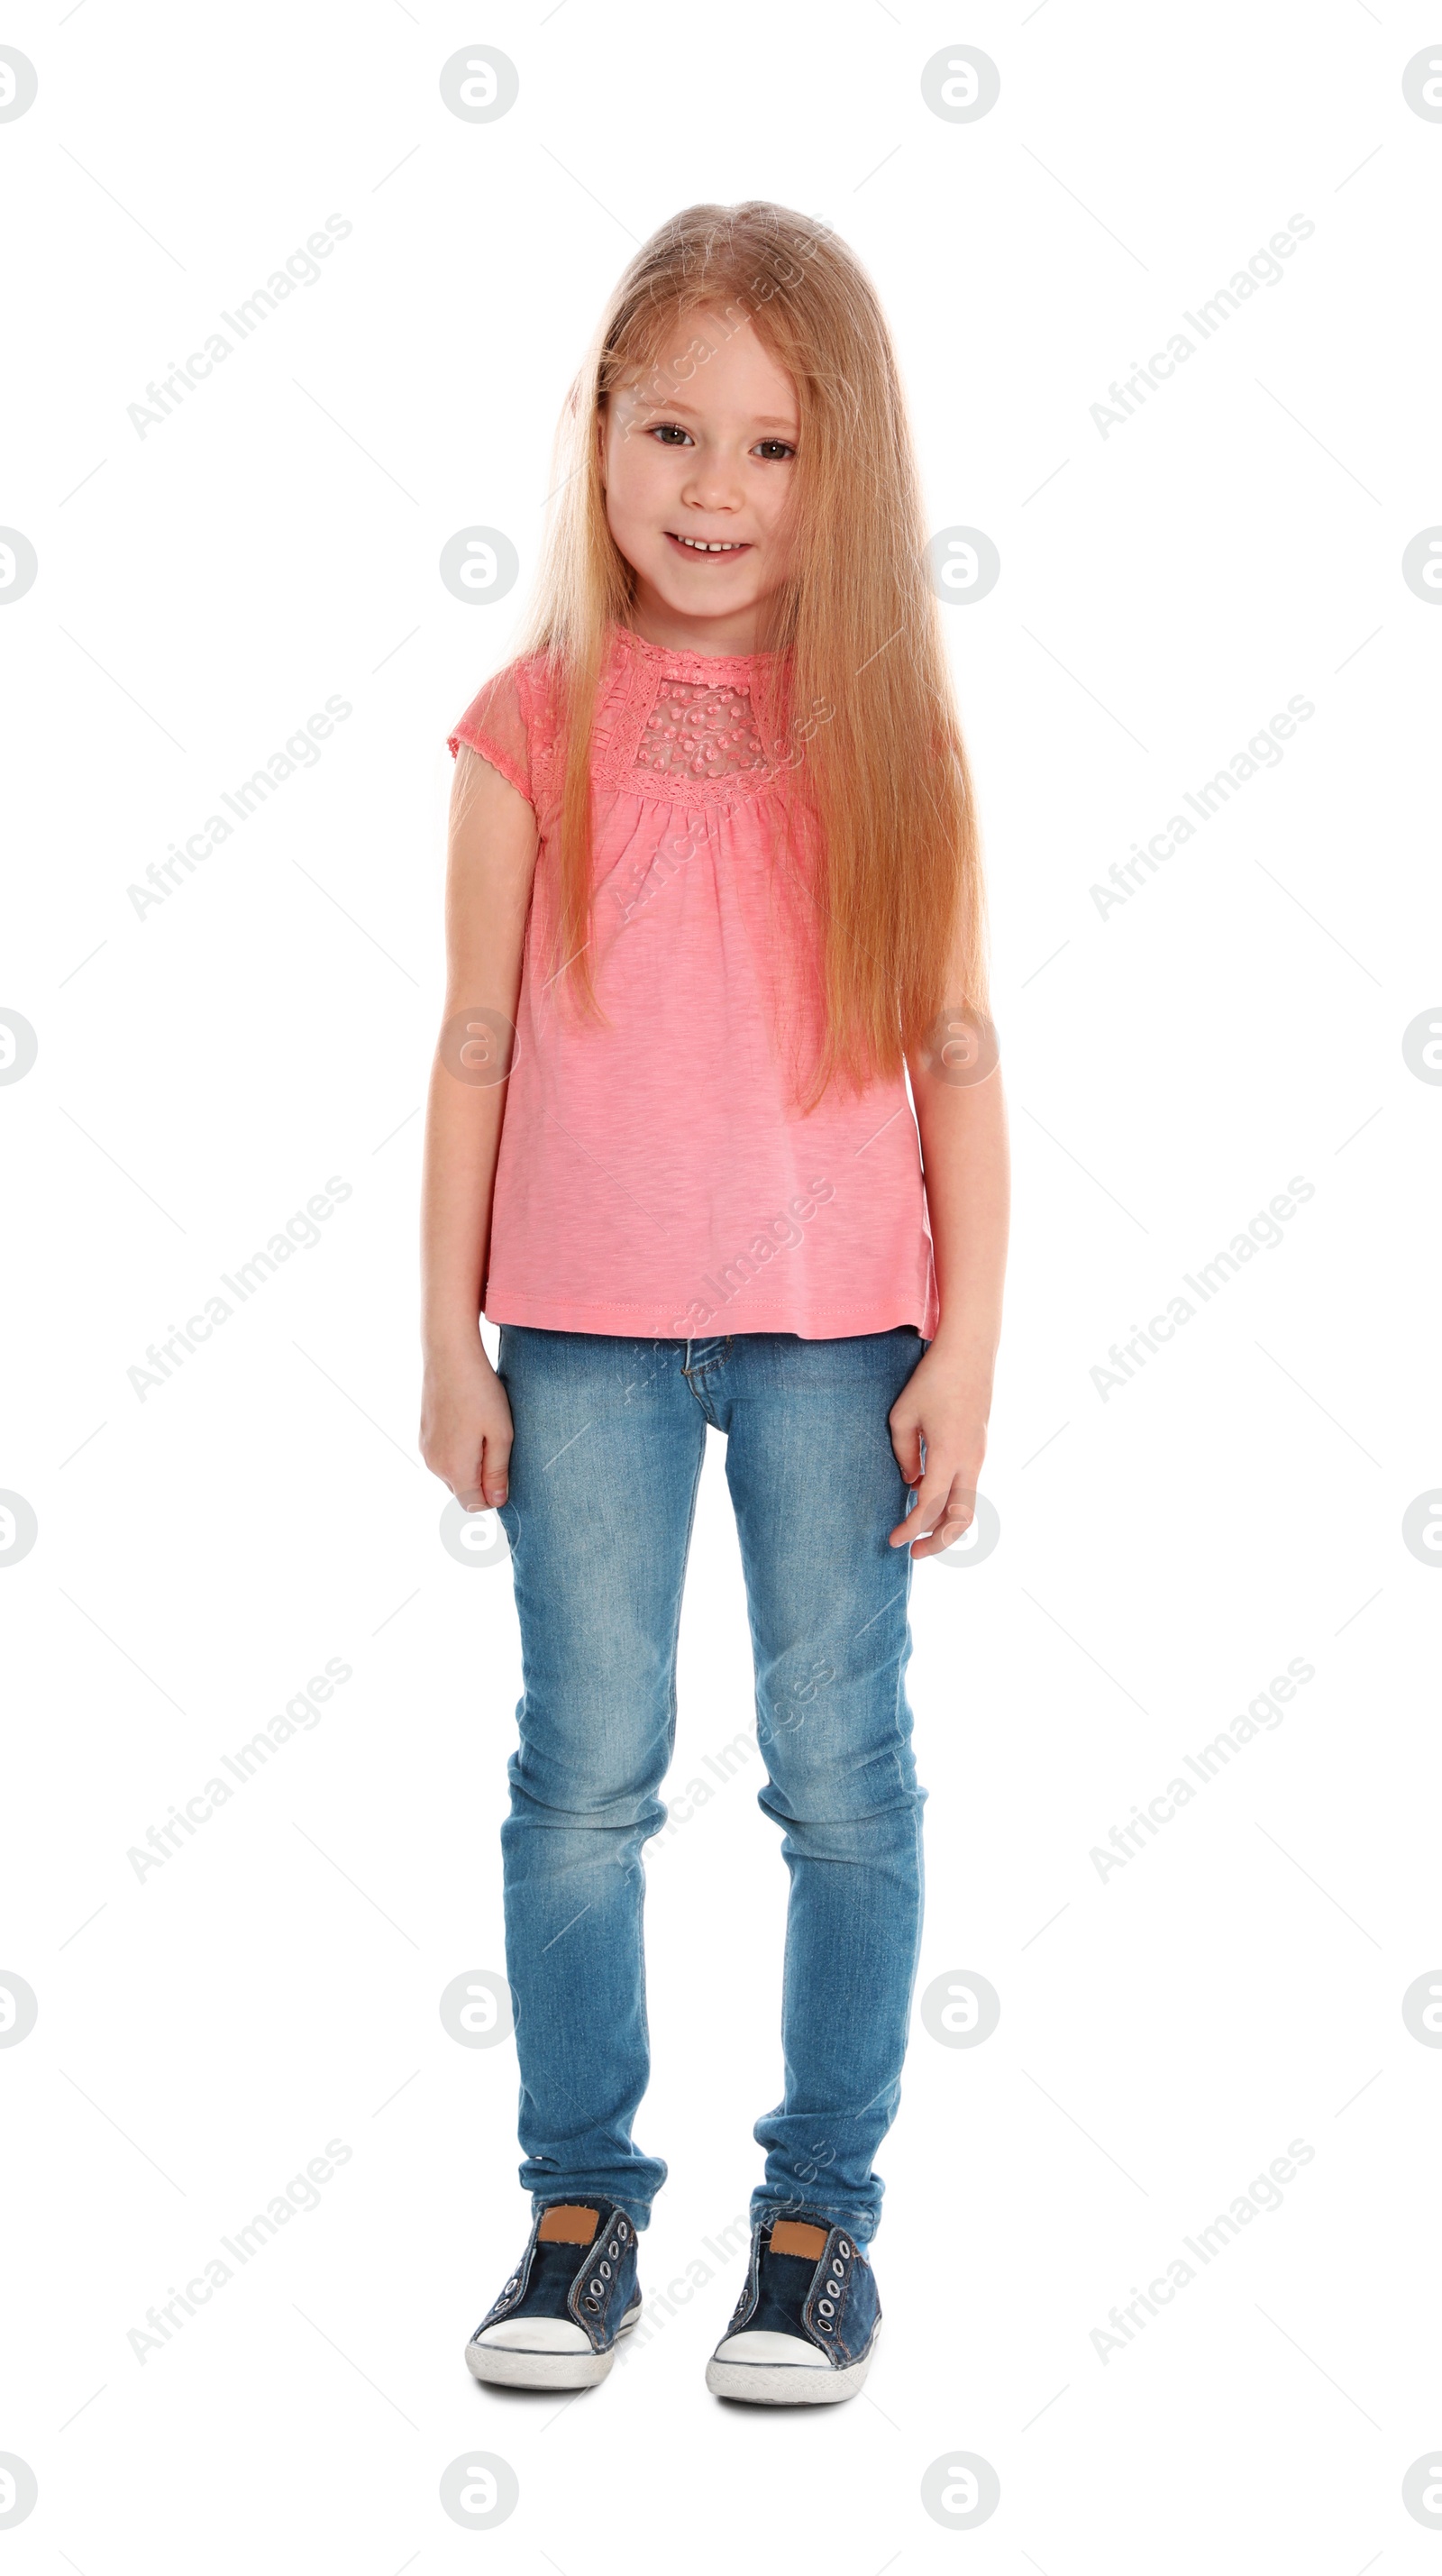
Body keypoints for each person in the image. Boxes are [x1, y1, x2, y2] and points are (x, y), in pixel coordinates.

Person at [420, 201, 1008, 2407]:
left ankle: (815, 2223)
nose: (710, 492)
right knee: (581, 1774)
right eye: (669, 430)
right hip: (573, 1332)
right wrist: (440, 1335)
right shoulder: (528, 724)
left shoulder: (886, 731)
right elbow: (472, 1037)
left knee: (838, 1777)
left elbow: (954, 1047)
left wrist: (961, 1344)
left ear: (840, 470)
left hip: (836, 1332)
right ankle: (579, 2210)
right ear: (597, 434)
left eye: (770, 448)